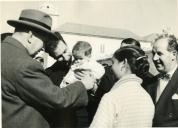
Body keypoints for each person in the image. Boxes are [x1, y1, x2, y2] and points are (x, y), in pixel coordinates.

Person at [1, 9, 96, 128]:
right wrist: (83, 85)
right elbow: (58, 99)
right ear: (30, 36)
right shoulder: (25, 64)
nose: (41, 49)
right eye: (44, 41)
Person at [90, 46, 155, 128]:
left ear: (124, 63)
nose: (111, 68)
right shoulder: (147, 97)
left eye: (113, 63)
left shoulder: (112, 97)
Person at [146, 34, 178, 127]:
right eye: (153, 53)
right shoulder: (149, 83)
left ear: (173, 55)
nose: (154, 58)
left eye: (159, 53)